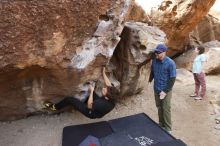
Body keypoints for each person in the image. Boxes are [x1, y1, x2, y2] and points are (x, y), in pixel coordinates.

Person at [44, 67, 119, 119]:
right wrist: (103, 73)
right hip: (99, 107)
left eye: (104, 90)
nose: (104, 88)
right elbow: (109, 84)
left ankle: (55, 107)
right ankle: (81, 103)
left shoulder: (101, 103)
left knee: (70, 100)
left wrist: (92, 92)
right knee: (89, 96)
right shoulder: (112, 96)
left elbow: (89, 105)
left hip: (91, 112)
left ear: (106, 97)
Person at [148, 44, 176, 132]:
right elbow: (153, 71)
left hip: (166, 90)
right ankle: (161, 124)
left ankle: (168, 128)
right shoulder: (154, 61)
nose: (156, 54)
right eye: (156, 52)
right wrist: (150, 80)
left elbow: (172, 78)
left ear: (164, 52)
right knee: (159, 107)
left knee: (166, 108)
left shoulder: (170, 63)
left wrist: (165, 91)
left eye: (159, 52)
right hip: (156, 88)